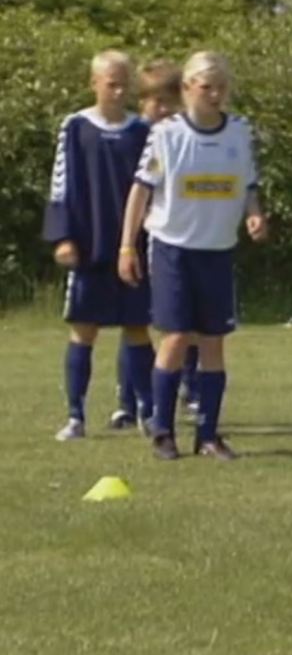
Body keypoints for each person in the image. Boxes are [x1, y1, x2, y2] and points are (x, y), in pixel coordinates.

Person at [118, 51, 268, 461]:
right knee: (177, 337)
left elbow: (248, 184)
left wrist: (254, 215)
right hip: (173, 248)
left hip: (217, 251)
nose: (216, 94)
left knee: (213, 343)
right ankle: (163, 432)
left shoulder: (239, 131)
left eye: (222, 87)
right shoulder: (167, 134)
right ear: (187, 89)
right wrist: (127, 245)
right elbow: (141, 191)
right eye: (207, 87)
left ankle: (209, 436)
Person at [43, 50, 154, 441]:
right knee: (83, 330)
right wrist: (63, 237)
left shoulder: (142, 131)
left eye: (125, 82)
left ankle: (147, 410)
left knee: (138, 328)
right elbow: (61, 183)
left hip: (132, 249)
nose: (120, 90)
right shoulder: (75, 127)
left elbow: (153, 191)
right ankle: (76, 416)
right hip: (89, 247)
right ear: (94, 83)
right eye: (112, 83)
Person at [110, 58, 184, 430]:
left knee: (178, 322)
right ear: (143, 102)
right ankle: (130, 401)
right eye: (157, 101)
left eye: (171, 101)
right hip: (135, 236)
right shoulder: (135, 135)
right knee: (134, 321)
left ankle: (183, 390)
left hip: (172, 238)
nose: (164, 109)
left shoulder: (181, 134)